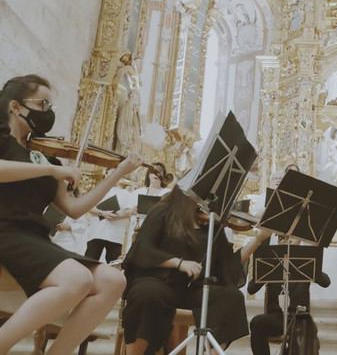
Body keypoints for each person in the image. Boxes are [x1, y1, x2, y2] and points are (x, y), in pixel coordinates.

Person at [0, 74, 141, 354]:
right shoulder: (6, 143)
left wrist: (117, 174)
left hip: (34, 238)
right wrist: (52, 171)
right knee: (77, 279)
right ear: (16, 107)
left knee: (114, 281)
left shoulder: (42, 155)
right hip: (5, 230)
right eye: (43, 104)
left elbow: (75, 209)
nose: (48, 113)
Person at [121, 185, 271, 354]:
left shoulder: (211, 223)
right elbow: (144, 248)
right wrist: (179, 263)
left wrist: (259, 239)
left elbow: (229, 265)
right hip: (159, 282)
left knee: (232, 297)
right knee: (146, 294)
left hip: (192, 290)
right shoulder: (163, 212)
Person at [247, 238, 331, 355]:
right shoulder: (271, 261)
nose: (287, 241)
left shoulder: (306, 262)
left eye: (292, 238)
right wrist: (265, 268)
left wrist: (314, 268)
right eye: (283, 238)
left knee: (300, 334)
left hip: (299, 319)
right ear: (278, 242)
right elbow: (251, 289)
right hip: (276, 318)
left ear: (300, 241)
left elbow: (326, 282)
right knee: (257, 323)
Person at [85, 183, 136, 263]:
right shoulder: (98, 189)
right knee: (89, 261)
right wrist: (103, 213)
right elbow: (88, 207)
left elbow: (129, 211)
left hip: (115, 234)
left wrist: (116, 216)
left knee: (114, 263)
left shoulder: (125, 193)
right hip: (97, 231)